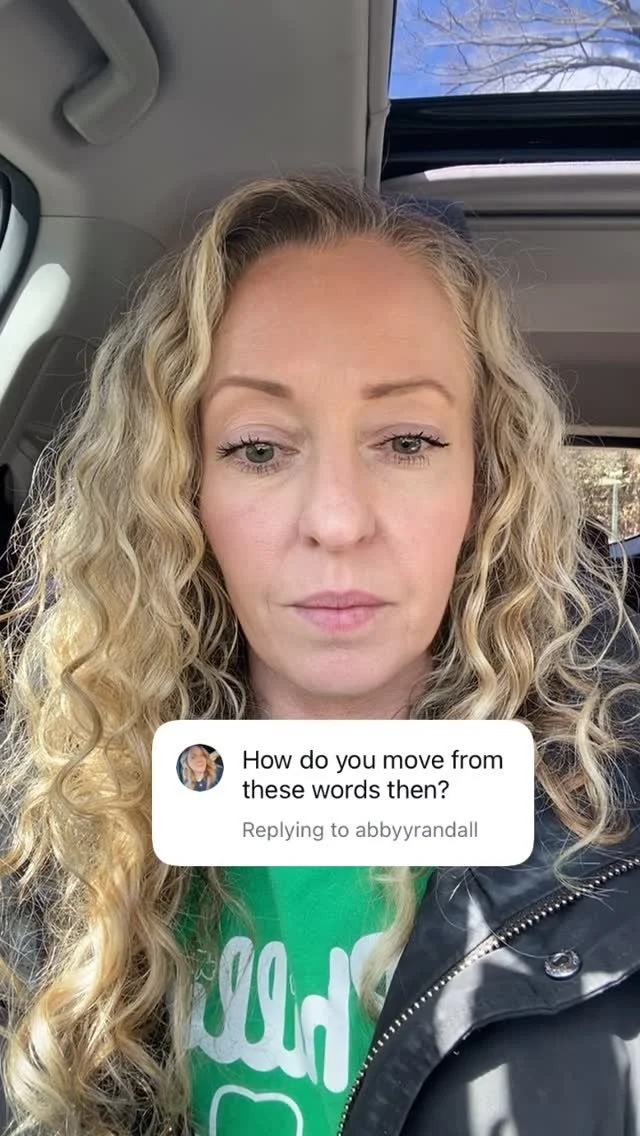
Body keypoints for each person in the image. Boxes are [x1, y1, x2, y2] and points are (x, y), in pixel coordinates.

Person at [0, 174, 639, 1136]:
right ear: (183, 492)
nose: (337, 521)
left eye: (407, 440)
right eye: (258, 448)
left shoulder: (613, 847)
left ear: (486, 484)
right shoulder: (63, 819)